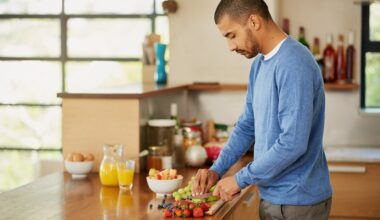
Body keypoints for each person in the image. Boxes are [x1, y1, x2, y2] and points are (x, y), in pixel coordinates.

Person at [192, 0, 333, 219]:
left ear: (254, 21)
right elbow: (247, 125)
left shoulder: (294, 62)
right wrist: (216, 169)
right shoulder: (260, 65)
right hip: (272, 196)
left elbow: (292, 144)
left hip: (297, 201)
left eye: (231, 35)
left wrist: (239, 179)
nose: (230, 47)